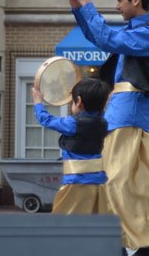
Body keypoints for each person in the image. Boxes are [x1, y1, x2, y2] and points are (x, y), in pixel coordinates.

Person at [69, 0, 149, 256]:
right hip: (126, 114)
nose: (117, 6)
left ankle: (132, 241)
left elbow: (106, 37)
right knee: (131, 183)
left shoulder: (147, 33)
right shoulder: (135, 33)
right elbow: (98, 36)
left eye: (119, 0)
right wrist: (79, 7)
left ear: (135, 0)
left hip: (130, 115)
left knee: (115, 180)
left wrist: (87, 3)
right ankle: (129, 242)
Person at [32, 78, 111, 214]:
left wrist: (38, 101)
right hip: (99, 181)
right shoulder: (104, 122)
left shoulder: (72, 123)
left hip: (76, 182)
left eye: (72, 101)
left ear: (79, 101)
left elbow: (46, 120)